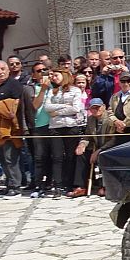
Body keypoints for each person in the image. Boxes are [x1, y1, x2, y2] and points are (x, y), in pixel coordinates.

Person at [44, 68, 86, 198]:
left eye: (56, 75)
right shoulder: (52, 91)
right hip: (55, 127)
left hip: (71, 126)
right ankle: (57, 184)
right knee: (57, 157)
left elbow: (76, 108)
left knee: (70, 156)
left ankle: (69, 183)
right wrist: (65, 108)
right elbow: (47, 107)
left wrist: (56, 112)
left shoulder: (75, 90)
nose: (53, 78)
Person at [22, 62, 51, 196]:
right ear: (33, 74)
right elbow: (34, 106)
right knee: (39, 157)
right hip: (38, 127)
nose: (42, 72)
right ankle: (39, 184)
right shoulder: (29, 89)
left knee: (54, 156)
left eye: (45, 69)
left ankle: (52, 182)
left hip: (54, 126)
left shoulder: (55, 85)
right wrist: (43, 89)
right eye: (39, 71)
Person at [0, 60, 24, 196]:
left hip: (10, 129)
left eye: (3, 69)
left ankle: (16, 185)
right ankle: (9, 183)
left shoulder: (14, 85)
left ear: (8, 71)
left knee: (11, 158)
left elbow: (13, 107)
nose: (0, 72)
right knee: (2, 158)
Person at [78, 98, 113, 197]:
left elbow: (113, 139)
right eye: (93, 108)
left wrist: (99, 151)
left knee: (104, 156)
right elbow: (88, 135)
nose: (95, 110)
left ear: (104, 107)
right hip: (96, 146)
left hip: (108, 146)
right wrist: (82, 144)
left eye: (98, 107)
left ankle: (105, 186)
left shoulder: (110, 119)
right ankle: (81, 186)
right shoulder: (91, 119)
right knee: (81, 154)